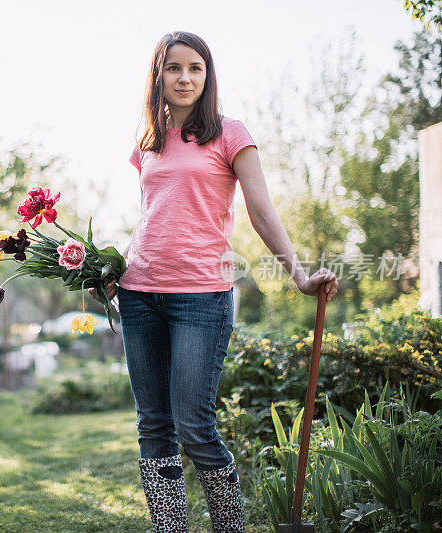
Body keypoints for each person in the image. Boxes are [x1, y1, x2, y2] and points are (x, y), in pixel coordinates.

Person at [89, 31, 338, 532]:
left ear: (208, 75)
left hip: (202, 297)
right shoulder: (147, 143)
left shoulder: (230, 133)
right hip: (139, 293)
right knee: (153, 426)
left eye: (195, 68)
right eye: (174, 68)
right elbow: (152, 216)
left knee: (194, 425)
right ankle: (171, 528)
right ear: (157, 76)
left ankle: (228, 527)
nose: (185, 78)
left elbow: (261, 211)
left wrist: (298, 276)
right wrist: (109, 272)